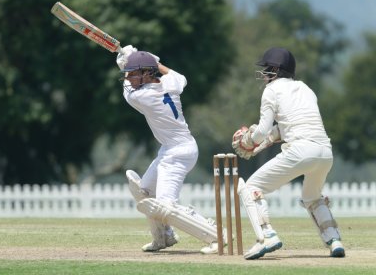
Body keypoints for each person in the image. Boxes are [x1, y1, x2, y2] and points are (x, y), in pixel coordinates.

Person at [232, 47, 345, 260]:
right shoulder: (305, 88)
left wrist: (249, 140)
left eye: (267, 70)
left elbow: (264, 130)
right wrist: (261, 144)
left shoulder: (271, 90)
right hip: (324, 152)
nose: (264, 75)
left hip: (301, 151)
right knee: (312, 196)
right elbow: (285, 128)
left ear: (275, 70)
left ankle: (267, 236)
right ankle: (334, 240)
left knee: (250, 187)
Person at [116, 46, 223, 254]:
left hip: (178, 153)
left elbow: (127, 94)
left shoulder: (144, 96)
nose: (128, 78)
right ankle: (164, 237)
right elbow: (179, 76)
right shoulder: (170, 83)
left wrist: (123, 61)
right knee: (144, 192)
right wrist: (153, 63)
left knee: (166, 205)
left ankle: (217, 236)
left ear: (147, 74)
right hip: (174, 148)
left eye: (132, 74)